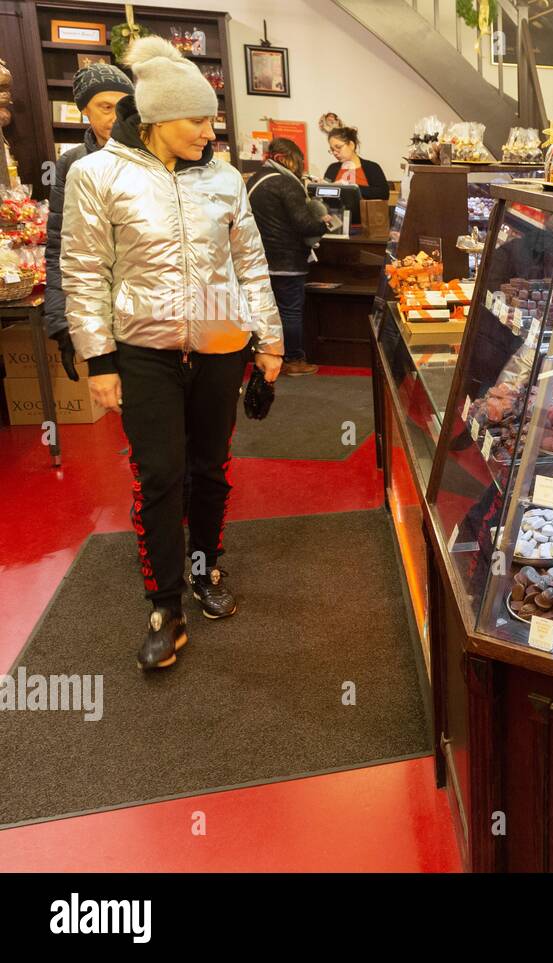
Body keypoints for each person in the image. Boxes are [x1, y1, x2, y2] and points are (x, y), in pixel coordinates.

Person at [61, 36, 283, 671]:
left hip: (217, 339)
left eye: (212, 118)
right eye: (196, 118)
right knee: (159, 473)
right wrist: (98, 360)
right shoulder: (97, 173)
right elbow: (83, 270)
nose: (208, 131)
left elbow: (250, 265)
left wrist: (269, 340)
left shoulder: (223, 177)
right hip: (144, 346)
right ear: (156, 117)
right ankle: (165, 604)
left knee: (211, 466)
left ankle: (205, 566)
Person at [44, 63, 135, 378]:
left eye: (122, 106)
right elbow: (61, 247)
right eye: (105, 107)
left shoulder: (153, 158)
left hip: (146, 313)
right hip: (98, 306)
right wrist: (62, 324)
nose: (115, 116)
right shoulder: (73, 164)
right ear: (85, 110)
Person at [247, 138, 332, 376]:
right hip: (287, 260)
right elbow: (305, 225)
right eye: (299, 161)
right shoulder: (286, 183)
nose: (301, 167)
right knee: (290, 311)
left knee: (264, 312)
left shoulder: (255, 179)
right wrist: (325, 223)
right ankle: (294, 360)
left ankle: (265, 357)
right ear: (284, 159)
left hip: (259, 260)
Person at [323, 126, 389, 201]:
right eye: (332, 150)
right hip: (335, 212)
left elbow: (384, 194)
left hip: (364, 212)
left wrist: (350, 187)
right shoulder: (332, 168)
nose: (335, 153)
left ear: (351, 145)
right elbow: (325, 197)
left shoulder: (372, 167)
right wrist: (320, 186)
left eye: (338, 147)